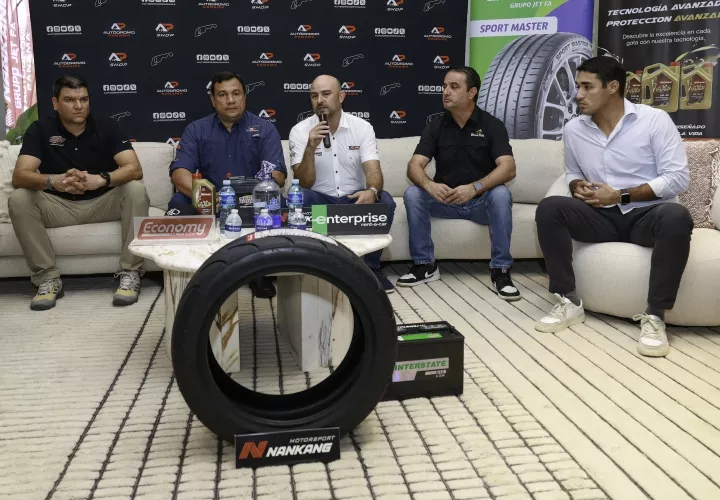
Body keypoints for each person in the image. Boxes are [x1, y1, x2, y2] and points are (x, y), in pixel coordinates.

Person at [534, 56, 692, 357]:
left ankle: (655, 315)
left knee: (676, 216)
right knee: (550, 208)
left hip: (647, 216)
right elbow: (573, 171)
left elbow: (677, 179)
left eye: (587, 87)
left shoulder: (654, 120)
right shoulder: (574, 129)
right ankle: (568, 301)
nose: (578, 95)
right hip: (600, 217)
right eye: (578, 86)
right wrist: (576, 185)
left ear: (613, 87)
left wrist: (620, 195)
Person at [9, 75, 149, 311]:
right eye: (70, 100)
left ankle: (130, 273)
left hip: (102, 202)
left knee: (135, 190)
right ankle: (48, 279)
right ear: (55, 103)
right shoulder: (40, 130)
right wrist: (53, 181)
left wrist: (101, 179)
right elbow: (20, 176)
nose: (78, 106)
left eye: (83, 99)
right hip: (59, 206)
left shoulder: (107, 126)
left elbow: (134, 169)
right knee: (19, 198)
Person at [398, 66, 520, 301]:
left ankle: (501, 271)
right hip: (445, 200)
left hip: (480, 202)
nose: (446, 92)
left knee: (501, 194)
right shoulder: (436, 125)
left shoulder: (492, 125)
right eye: (444, 86)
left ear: (472, 92)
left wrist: (475, 188)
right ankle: (425, 265)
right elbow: (414, 166)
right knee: (413, 193)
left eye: (454, 87)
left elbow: (508, 167)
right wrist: (429, 185)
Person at [169, 71, 287, 299]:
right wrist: (206, 196)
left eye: (236, 94)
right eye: (223, 95)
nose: (230, 100)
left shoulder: (265, 128)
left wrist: (253, 193)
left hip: (252, 199)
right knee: (178, 202)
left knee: (278, 203)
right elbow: (179, 173)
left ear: (244, 96)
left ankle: (259, 269)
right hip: (210, 201)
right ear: (213, 100)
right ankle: (193, 269)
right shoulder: (197, 130)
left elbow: (278, 175)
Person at [288, 74, 397, 292]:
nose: (320, 100)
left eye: (326, 94)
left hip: (352, 201)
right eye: (314, 96)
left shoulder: (362, 127)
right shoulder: (300, 131)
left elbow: (373, 171)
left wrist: (372, 191)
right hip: (319, 201)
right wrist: (310, 147)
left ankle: (372, 268)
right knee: (298, 197)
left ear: (341, 97)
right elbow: (304, 183)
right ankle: (313, 267)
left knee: (385, 200)